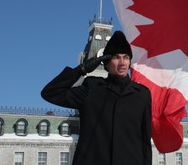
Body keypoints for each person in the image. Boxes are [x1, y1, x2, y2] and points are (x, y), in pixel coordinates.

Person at [41, 31, 152, 165]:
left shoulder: (142, 95)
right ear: (106, 62)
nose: (122, 62)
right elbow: (50, 93)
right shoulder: (92, 89)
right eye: (116, 57)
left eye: (126, 57)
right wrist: (81, 70)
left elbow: (145, 142)